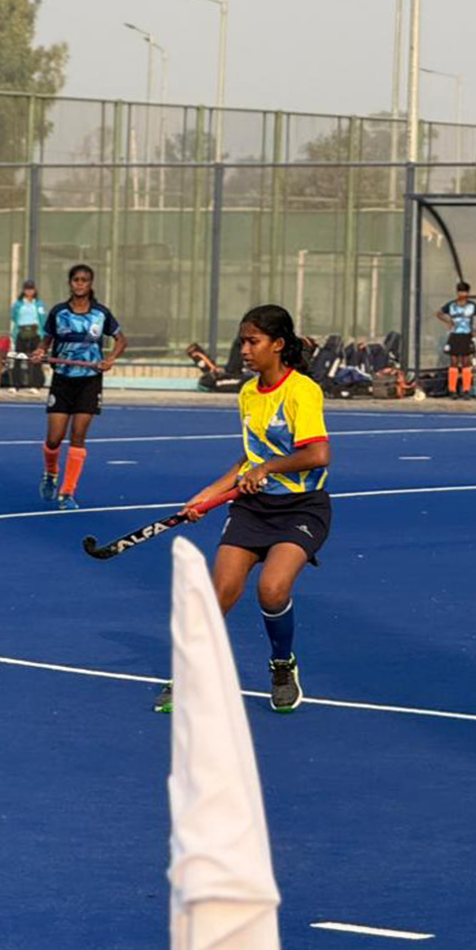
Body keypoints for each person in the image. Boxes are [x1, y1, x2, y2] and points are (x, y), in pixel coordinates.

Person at [153, 305, 330, 715]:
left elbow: (319, 454)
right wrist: (209, 492)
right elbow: (249, 458)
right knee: (219, 595)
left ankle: (283, 666)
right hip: (253, 508)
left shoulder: (302, 390)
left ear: (278, 345)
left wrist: (267, 467)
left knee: (272, 589)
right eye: (243, 342)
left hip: (301, 508)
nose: (245, 350)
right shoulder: (248, 393)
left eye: (253, 342)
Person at [32, 263, 126, 510]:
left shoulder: (101, 313)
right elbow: (47, 339)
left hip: (89, 381)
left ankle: (67, 493)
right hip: (62, 379)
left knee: (78, 436)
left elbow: (121, 340)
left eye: (84, 280)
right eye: (76, 280)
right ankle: (50, 474)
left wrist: (110, 358)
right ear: (70, 283)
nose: (80, 284)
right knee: (54, 438)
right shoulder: (59, 312)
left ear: (90, 283)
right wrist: (41, 350)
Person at [435, 281, 476, 399]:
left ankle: (466, 390)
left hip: (466, 335)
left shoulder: (472, 305)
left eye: (465, 291)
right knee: (454, 361)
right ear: (457, 292)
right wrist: (448, 322)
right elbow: (439, 313)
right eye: (461, 291)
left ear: (468, 293)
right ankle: (452, 390)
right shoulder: (451, 305)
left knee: (466, 361)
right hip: (455, 335)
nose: (463, 294)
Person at [9, 278, 48, 388]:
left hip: (35, 332)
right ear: (23, 290)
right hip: (21, 332)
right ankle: (15, 385)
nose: (29, 292)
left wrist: (43, 334)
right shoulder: (18, 304)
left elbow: (42, 318)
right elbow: (14, 317)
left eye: (31, 289)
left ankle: (35, 385)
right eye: (27, 289)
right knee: (18, 359)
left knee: (35, 359)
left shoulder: (39, 304)